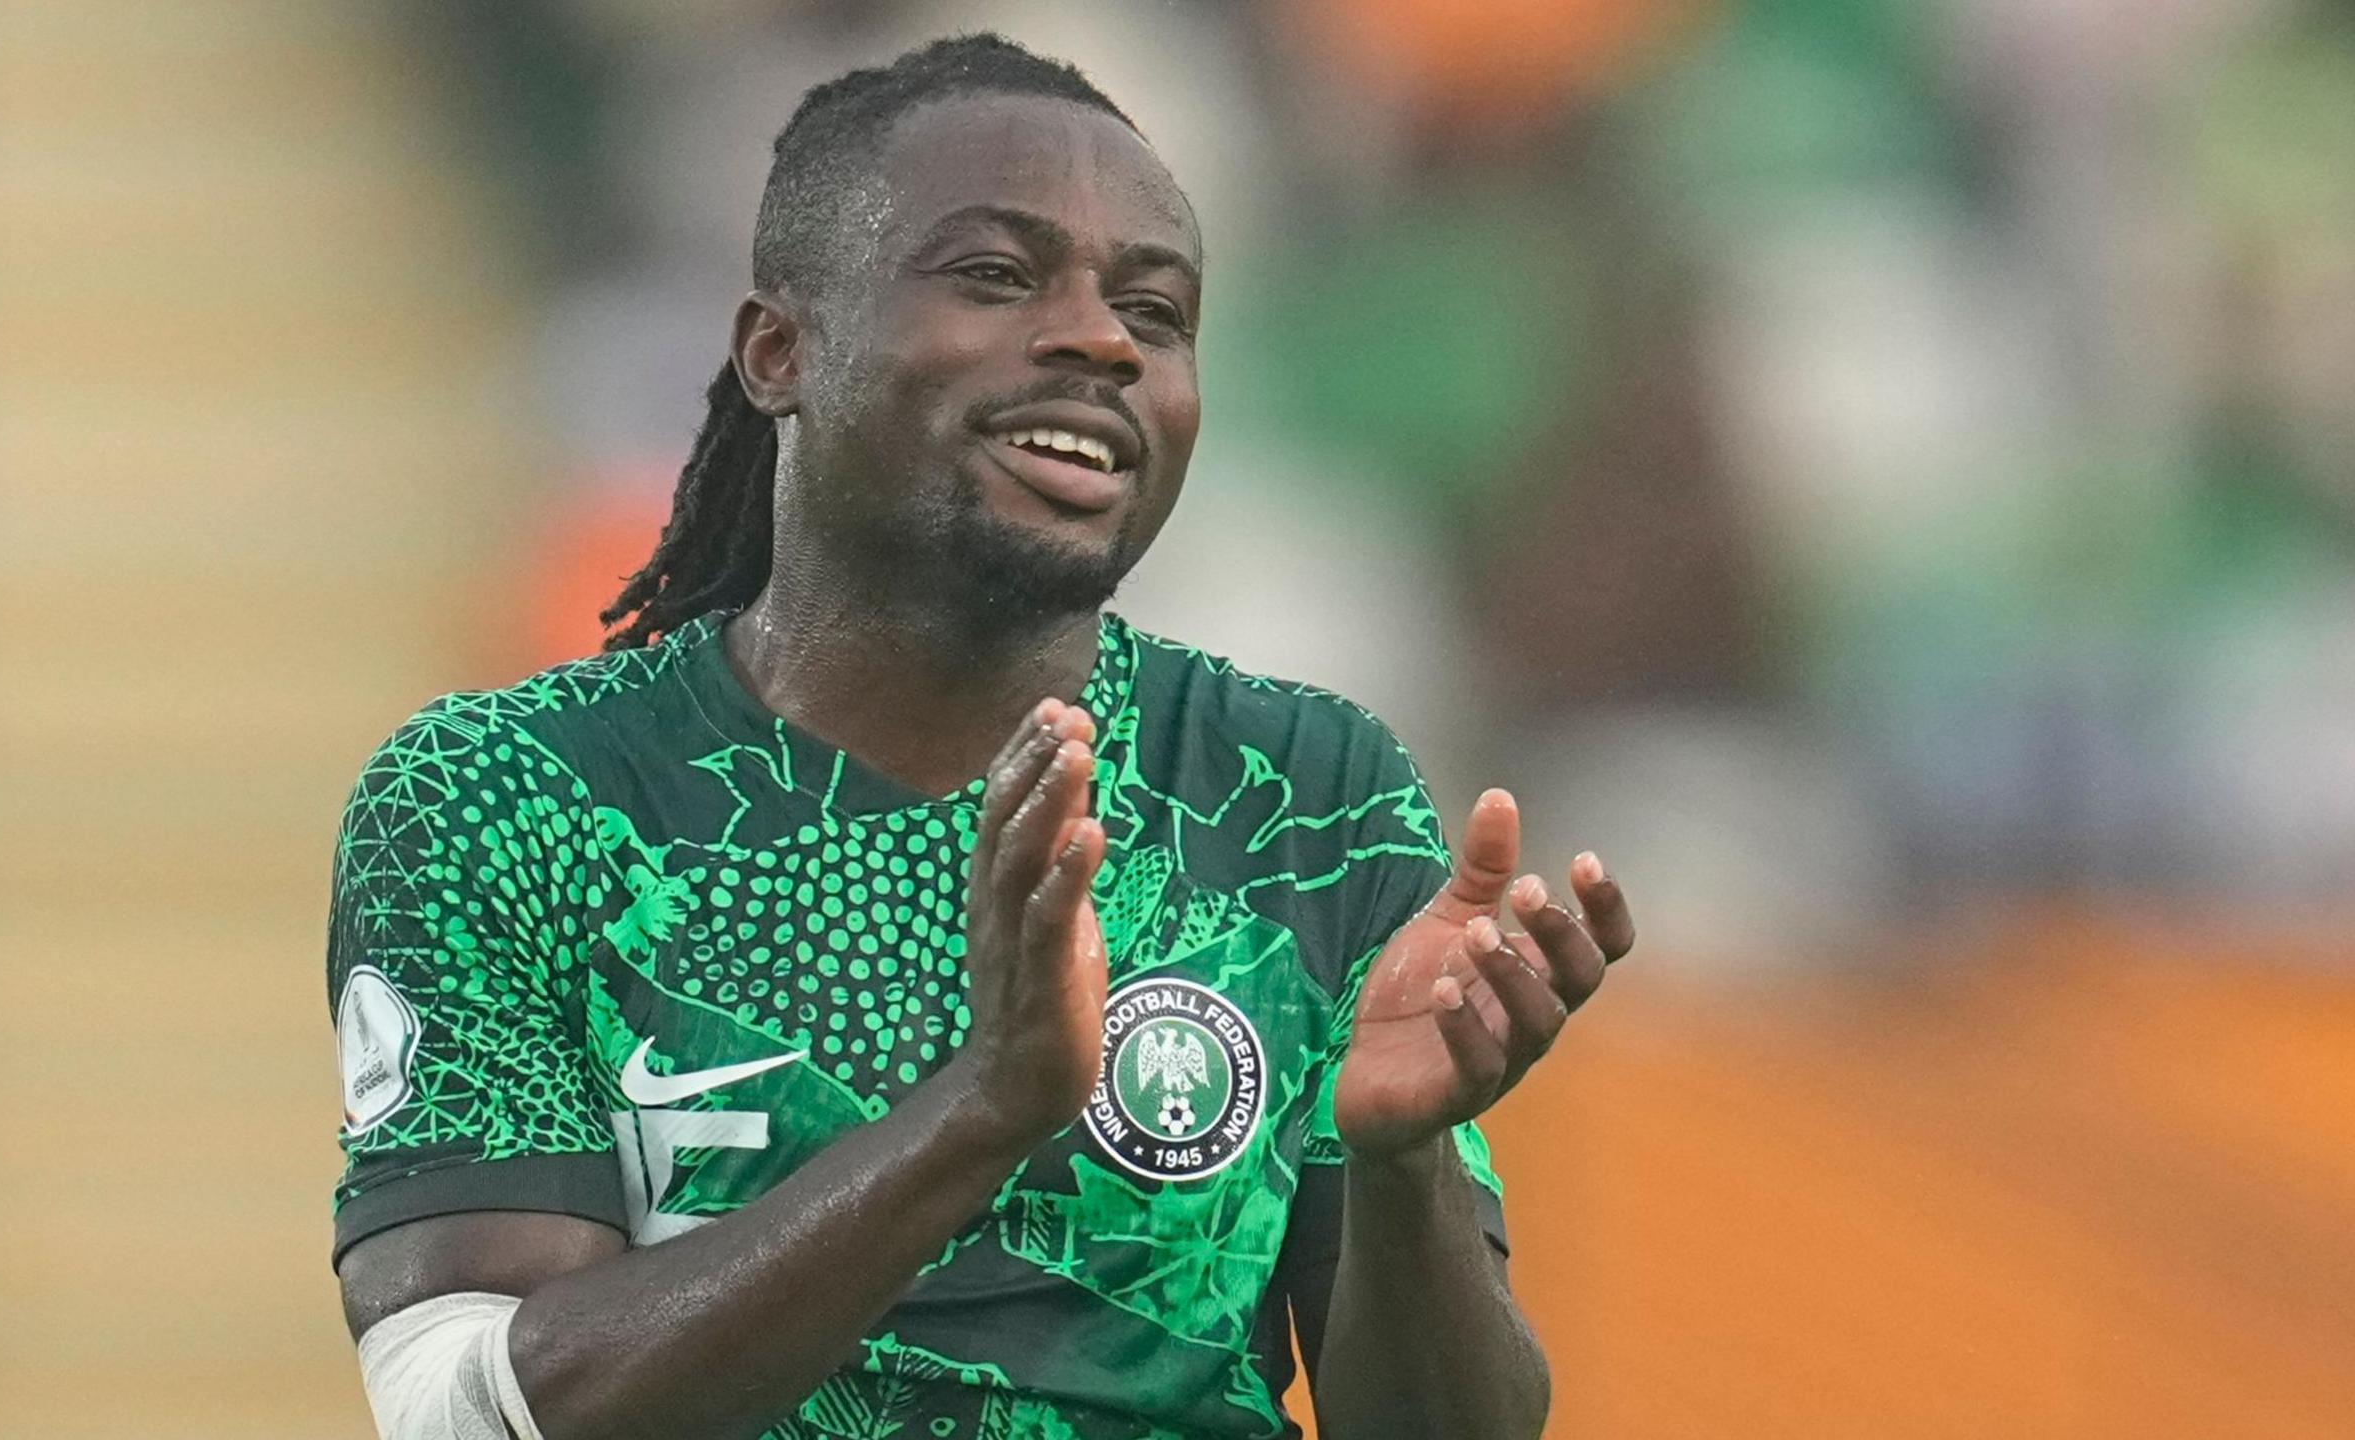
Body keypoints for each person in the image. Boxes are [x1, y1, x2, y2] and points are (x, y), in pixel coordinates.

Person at [326, 34, 1635, 1440]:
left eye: (1158, 310)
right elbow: (458, 1415)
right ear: (781, 351)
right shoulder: (505, 798)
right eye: (998, 279)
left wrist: (1401, 1162)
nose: (1102, 339)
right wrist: (985, 1110)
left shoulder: (1304, 790)